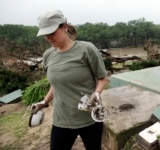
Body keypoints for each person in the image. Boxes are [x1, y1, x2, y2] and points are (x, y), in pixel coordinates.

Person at [32, 10, 108, 150]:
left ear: (64, 27)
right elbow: (57, 84)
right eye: (45, 35)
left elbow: (102, 78)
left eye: (52, 33)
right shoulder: (48, 55)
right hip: (62, 119)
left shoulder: (86, 49)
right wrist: (44, 102)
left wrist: (96, 94)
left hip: (89, 118)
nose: (49, 38)